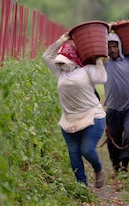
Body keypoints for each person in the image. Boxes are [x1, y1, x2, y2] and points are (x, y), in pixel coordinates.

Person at [43, 32, 107, 188]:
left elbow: (101, 79)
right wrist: (60, 41)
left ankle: (99, 170)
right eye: (60, 62)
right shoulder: (59, 73)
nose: (61, 64)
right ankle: (81, 187)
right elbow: (46, 57)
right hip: (69, 118)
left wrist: (99, 62)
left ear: (73, 59)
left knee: (86, 149)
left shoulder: (87, 70)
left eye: (64, 61)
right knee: (73, 153)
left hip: (92, 115)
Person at [103, 32, 129, 173]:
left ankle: (125, 164)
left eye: (115, 46)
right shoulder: (104, 62)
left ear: (120, 47)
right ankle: (115, 165)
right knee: (113, 140)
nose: (112, 50)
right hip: (112, 108)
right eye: (109, 47)